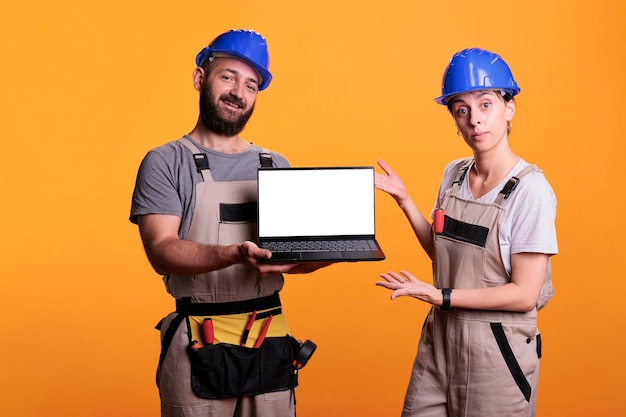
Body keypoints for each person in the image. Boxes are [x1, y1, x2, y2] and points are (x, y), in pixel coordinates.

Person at [129, 29, 326, 417]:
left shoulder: (276, 165)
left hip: (269, 335)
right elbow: (162, 252)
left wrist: (331, 251)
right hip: (199, 340)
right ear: (200, 78)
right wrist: (234, 253)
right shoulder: (166, 162)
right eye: (228, 77)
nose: (239, 91)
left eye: (251, 84)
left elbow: (293, 259)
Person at [374, 48, 558, 417]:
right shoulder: (454, 174)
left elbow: (524, 295)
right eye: (462, 109)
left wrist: (438, 295)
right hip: (441, 342)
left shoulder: (530, 190)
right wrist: (404, 200)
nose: (475, 119)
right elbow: (444, 254)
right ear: (454, 120)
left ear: (509, 108)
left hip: (496, 352)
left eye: (486, 104)